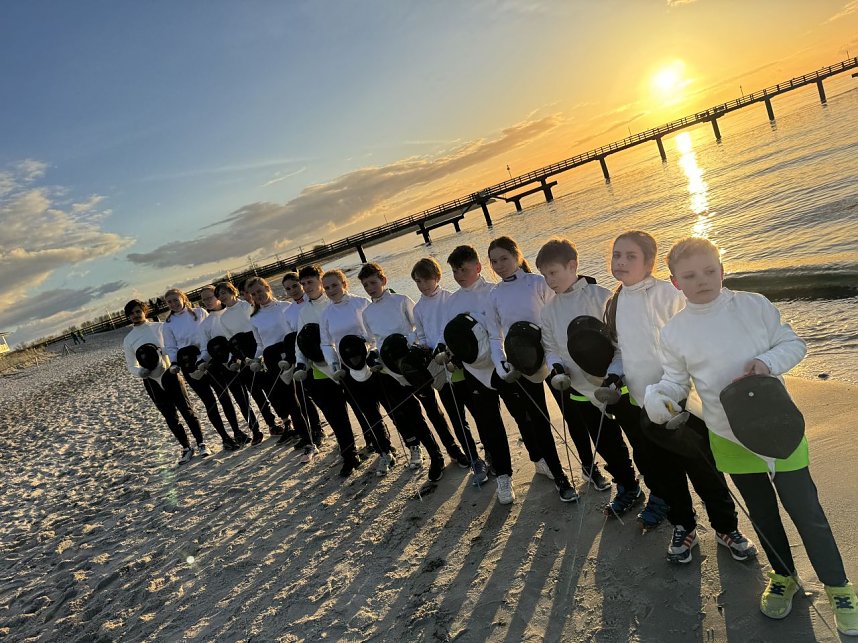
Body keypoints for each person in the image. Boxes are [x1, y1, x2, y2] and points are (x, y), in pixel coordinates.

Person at [644, 237, 857, 634]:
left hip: (778, 427)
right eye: (690, 275)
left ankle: (838, 585)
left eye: (710, 270)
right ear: (675, 283)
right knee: (761, 513)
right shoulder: (674, 332)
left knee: (807, 510)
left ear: (722, 269)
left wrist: (766, 362)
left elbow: (793, 343)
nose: (702, 280)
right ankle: (784, 575)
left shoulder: (753, 305)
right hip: (727, 436)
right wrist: (660, 399)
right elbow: (676, 381)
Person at [604, 231, 755, 563]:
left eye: (631, 256)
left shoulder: (668, 294)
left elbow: (694, 336)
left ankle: (726, 526)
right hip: (645, 407)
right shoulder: (614, 303)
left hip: (687, 403)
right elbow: (621, 352)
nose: (622, 261)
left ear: (650, 262)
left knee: (705, 469)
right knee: (664, 474)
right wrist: (614, 377)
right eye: (617, 255)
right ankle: (684, 526)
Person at [535, 237, 638, 512]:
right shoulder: (549, 311)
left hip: (617, 385)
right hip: (579, 389)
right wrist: (556, 366)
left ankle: (660, 493)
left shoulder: (602, 296)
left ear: (573, 265)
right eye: (544, 275)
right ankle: (628, 485)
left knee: (638, 437)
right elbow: (550, 346)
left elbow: (622, 341)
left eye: (553, 273)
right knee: (605, 441)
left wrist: (614, 376)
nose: (549, 280)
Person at [487, 236, 578, 503]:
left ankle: (588, 466)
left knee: (570, 412)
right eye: (494, 261)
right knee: (539, 421)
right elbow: (495, 335)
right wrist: (501, 363)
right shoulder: (494, 294)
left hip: (551, 357)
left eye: (504, 258)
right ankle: (560, 477)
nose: (499, 265)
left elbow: (557, 316)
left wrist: (560, 355)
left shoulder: (538, 283)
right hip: (522, 365)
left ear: (517, 255)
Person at [359, 262, 450, 482]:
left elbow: (418, 330)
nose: (370, 288)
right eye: (365, 285)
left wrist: (406, 348)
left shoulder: (401, 301)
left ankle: (454, 449)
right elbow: (373, 342)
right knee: (412, 416)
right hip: (390, 372)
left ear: (383, 280)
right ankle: (435, 457)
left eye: (373, 282)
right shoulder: (367, 312)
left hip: (413, 366)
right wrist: (373, 355)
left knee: (432, 410)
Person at [441, 245, 515, 505]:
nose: (459, 275)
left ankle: (540, 460)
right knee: (489, 424)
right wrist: (450, 356)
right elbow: (450, 336)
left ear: (478, 267)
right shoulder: (451, 302)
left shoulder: (493, 292)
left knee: (523, 418)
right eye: (454, 271)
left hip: (502, 367)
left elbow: (505, 328)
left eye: (463, 269)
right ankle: (504, 476)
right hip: (474, 373)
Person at [318, 269, 399, 477]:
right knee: (369, 412)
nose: (331, 291)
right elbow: (327, 343)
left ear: (344, 284)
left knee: (391, 407)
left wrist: (372, 352)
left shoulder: (361, 303)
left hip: (370, 363)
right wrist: (334, 367)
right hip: (348, 370)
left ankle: (412, 444)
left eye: (334, 285)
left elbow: (373, 333)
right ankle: (385, 451)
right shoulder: (326, 314)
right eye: (326, 288)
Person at [411, 257, 482, 473]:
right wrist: (425, 351)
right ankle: (473, 457)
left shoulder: (451, 299)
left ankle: (489, 451)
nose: (423, 286)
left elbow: (457, 330)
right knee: (456, 418)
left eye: (426, 280)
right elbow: (422, 336)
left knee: (477, 412)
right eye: (418, 282)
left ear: (437, 277)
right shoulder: (418, 308)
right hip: (438, 369)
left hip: (458, 365)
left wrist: (448, 349)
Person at [293, 264, 363, 477]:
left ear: (320, 281)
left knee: (361, 408)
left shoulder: (335, 303)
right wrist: (300, 364)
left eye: (310, 282)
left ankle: (376, 443)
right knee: (336, 415)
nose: (306, 287)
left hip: (347, 365)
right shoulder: (304, 311)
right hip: (321, 371)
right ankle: (349, 455)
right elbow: (300, 341)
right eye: (303, 284)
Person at [122, 299, 206, 463]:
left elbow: (172, 348)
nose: (135, 315)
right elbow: (131, 365)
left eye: (138, 311)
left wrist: (161, 354)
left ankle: (202, 443)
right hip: (152, 381)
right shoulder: (128, 339)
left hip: (170, 374)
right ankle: (186, 448)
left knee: (186, 410)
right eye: (131, 313)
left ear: (144, 311)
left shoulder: (159, 327)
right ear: (128, 317)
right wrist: (141, 371)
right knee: (170, 416)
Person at [162, 288, 242, 453]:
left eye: (176, 300)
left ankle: (237, 431)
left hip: (209, 360)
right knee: (209, 402)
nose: (174, 304)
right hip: (188, 364)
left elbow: (210, 332)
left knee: (224, 396)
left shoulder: (200, 312)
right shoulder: (168, 324)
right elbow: (171, 346)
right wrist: (174, 362)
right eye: (169, 302)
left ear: (183, 298)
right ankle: (225, 438)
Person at [244, 277, 314, 460]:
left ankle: (313, 434)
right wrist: (255, 359)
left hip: (289, 354)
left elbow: (294, 332)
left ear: (268, 288)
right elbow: (260, 344)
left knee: (301, 396)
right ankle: (305, 436)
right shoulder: (254, 317)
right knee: (289, 400)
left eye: (260, 291)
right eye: (253, 294)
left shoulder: (285, 307)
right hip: (271, 360)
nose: (258, 296)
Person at [215, 281, 280, 444]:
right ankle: (263, 428)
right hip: (243, 355)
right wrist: (242, 358)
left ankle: (280, 422)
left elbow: (257, 327)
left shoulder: (246, 306)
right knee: (256, 393)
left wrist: (258, 354)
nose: (222, 296)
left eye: (224, 292)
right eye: (219, 294)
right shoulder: (223, 318)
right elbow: (231, 341)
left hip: (257, 348)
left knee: (269, 388)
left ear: (232, 292)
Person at [197, 285, 254, 446]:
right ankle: (237, 432)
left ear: (218, 296)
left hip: (236, 360)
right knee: (226, 399)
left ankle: (255, 427)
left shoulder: (234, 312)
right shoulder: (205, 324)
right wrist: (201, 361)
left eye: (210, 297)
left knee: (243, 397)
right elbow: (205, 348)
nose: (207, 301)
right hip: (219, 365)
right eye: (204, 299)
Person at [281, 271, 324, 447]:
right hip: (305, 360)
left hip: (324, 354)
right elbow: (292, 337)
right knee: (310, 395)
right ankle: (316, 430)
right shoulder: (288, 311)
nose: (293, 291)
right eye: (288, 288)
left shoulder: (314, 302)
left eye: (295, 285)